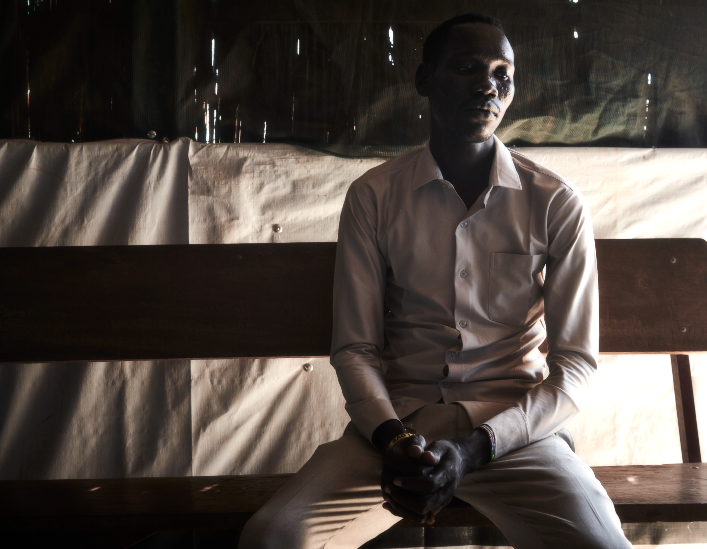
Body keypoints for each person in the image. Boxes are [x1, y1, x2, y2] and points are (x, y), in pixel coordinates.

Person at [238, 13, 631, 549]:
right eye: (467, 68)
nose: (488, 85)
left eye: (502, 74)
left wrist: (475, 447)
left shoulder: (554, 202)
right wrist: (394, 438)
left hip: (515, 436)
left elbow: (575, 368)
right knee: (272, 539)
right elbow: (355, 348)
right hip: (397, 434)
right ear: (424, 81)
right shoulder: (374, 196)